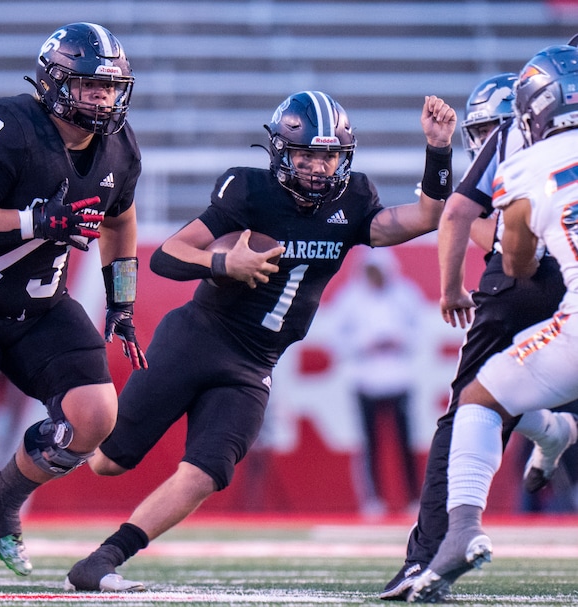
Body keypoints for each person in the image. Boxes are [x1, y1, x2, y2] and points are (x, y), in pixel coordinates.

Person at [51, 90, 457, 592]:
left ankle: (102, 560)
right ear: (281, 153)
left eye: (327, 156)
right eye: (305, 154)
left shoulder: (352, 202)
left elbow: (427, 217)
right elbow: (167, 256)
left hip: (254, 363)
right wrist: (223, 262)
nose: (316, 168)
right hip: (197, 339)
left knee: (207, 471)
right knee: (108, 462)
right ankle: (44, 446)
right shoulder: (248, 190)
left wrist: (438, 150)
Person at [0, 22, 147, 596]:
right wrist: (36, 220)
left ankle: (3, 497)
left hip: (40, 303)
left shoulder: (119, 145)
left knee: (94, 415)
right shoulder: (10, 125)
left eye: (111, 88)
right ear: (55, 83)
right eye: (90, 87)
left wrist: (122, 300)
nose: (104, 99)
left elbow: (120, 219)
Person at [381, 68, 578, 601]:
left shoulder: (522, 150)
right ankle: (552, 432)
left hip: (530, 278)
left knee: (473, 407)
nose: (492, 138)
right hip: (546, 275)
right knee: (488, 399)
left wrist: (451, 289)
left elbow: (474, 226)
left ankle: (433, 551)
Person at [329, 247, 426, 515]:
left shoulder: (404, 294)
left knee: (405, 443)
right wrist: (364, 344)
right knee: (369, 444)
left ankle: (412, 499)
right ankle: (373, 500)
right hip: (365, 379)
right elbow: (336, 338)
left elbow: (420, 330)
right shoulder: (350, 298)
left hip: (399, 378)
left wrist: (399, 339)